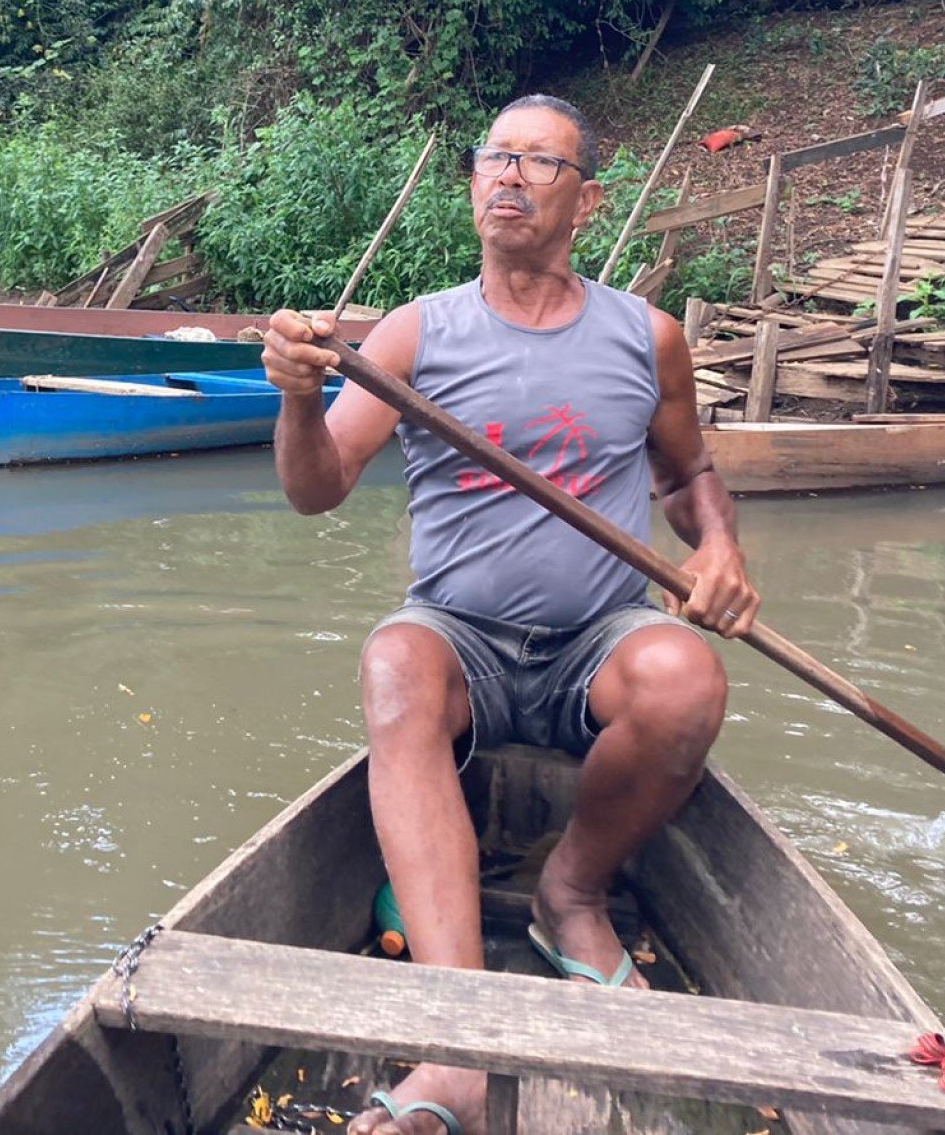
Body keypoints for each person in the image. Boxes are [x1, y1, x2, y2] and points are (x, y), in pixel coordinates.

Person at [261, 94, 761, 1135]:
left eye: (539, 161)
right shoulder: (415, 332)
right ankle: (457, 1042)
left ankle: (570, 898)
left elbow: (688, 475)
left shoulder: (646, 336)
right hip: (464, 644)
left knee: (688, 680)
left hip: (596, 642)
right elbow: (316, 491)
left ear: (585, 198)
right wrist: (300, 398)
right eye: (495, 158)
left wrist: (716, 547)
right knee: (395, 662)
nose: (509, 176)